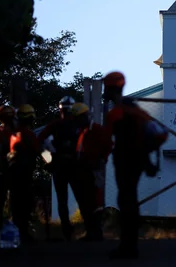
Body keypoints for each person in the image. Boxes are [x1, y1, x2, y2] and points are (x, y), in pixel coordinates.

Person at [102, 71, 167, 259]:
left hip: (124, 161)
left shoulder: (115, 114)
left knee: (126, 201)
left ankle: (127, 247)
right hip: (139, 161)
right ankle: (130, 245)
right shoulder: (137, 111)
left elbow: (107, 140)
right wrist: (148, 152)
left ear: (110, 88)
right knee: (130, 200)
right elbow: (161, 133)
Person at [37, 96, 91, 241]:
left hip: (60, 166)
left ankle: (67, 230)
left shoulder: (55, 125)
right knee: (81, 198)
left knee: (63, 200)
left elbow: (40, 143)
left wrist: (49, 161)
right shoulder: (78, 125)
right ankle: (89, 229)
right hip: (73, 166)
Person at [75, 104, 113, 241]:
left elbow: (108, 145)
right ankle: (91, 232)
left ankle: (96, 232)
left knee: (95, 200)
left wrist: (102, 159)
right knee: (86, 201)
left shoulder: (96, 129)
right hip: (83, 169)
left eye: (79, 118)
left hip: (94, 168)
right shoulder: (82, 131)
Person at [7, 104, 41, 244]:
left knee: (16, 204)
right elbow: (39, 150)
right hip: (24, 174)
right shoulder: (27, 134)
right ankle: (23, 233)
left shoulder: (14, 134)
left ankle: (19, 232)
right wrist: (52, 162)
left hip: (14, 174)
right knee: (25, 204)